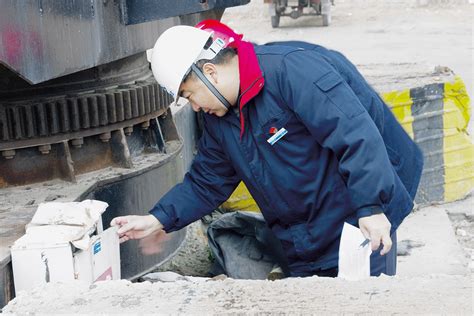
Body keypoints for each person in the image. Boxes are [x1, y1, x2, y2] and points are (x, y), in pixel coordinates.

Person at [111, 20, 423, 278]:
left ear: (210, 72)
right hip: (302, 242)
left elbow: (356, 135)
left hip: (357, 228)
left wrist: (372, 207)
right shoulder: (221, 120)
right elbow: (207, 182)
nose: (193, 107)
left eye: (189, 95)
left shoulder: (293, 73)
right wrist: (158, 219)